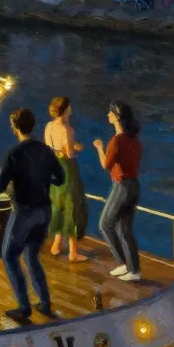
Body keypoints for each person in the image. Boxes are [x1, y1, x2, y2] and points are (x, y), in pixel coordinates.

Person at [0, 108, 65, 322]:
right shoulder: (45, 150)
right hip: (44, 210)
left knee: (9, 255)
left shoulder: (14, 153)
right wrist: (41, 179)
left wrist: (14, 185)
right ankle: (44, 302)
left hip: (24, 212)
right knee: (32, 256)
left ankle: (24, 306)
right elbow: (60, 178)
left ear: (15, 127)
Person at [92, 101, 143, 282]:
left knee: (105, 224)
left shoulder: (116, 140)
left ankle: (122, 262)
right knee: (124, 228)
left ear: (117, 117)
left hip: (121, 186)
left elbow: (106, 165)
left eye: (111, 113)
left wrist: (99, 147)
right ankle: (133, 270)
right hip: (134, 186)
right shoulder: (135, 141)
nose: (108, 115)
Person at [45, 97, 88, 262]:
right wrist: (78, 147)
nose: (71, 109)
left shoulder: (49, 126)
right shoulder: (67, 129)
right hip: (67, 170)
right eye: (69, 107)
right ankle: (73, 252)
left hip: (54, 169)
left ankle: (55, 245)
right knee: (72, 206)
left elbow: (50, 148)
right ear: (65, 110)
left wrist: (61, 150)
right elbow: (69, 154)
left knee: (58, 205)